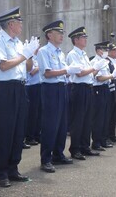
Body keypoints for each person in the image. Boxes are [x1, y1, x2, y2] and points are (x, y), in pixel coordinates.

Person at [0, 7, 39, 187]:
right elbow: (3, 65)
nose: (21, 25)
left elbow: (27, 68)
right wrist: (24, 55)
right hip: (4, 89)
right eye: (19, 22)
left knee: (18, 131)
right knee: (4, 132)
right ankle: (1, 172)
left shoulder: (18, 43)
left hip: (20, 87)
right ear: (11, 24)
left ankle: (13, 168)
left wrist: (29, 55)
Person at [37, 20, 80, 173]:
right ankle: (46, 159)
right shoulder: (44, 51)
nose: (62, 35)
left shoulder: (60, 53)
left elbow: (63, 72)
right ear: (49, 35)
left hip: (62, 88)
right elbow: (47, 73)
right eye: (58, 33)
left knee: (62, 123)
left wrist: (67, 71)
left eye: (62, 33)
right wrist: (66, 70)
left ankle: (58, 154)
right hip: (50, 89)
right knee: (50, 124)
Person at [66, 26, 107, 160]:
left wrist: (98, 67)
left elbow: (90, 73)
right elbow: (79, 73)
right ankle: (75, 149)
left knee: (87, 119)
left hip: (88, 87)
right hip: (78, 88)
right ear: (76, 40)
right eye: (83, 37)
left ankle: (85, 146)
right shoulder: (73, 54)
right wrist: (94, 68)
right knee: (78, 120)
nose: (85, 40)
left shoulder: (83, 54)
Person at [90, 41, 116, 151]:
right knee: (99, 118)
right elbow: (99, 78)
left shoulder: (104, 61)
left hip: (105, 88)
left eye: (106, 50)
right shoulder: (95, 61)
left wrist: (113, 76)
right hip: (98, 89)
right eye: (103, 50)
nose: (105, 52)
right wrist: (112, 76)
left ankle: (103, 140)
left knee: (105, 117)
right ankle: (96, 142)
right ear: (97, 50)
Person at [24, 45, 41, 146]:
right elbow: (32, 72)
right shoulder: (29, 58)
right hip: (31, 87)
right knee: (32, 113)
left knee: (39, 113)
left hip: (39, 85)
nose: (38, 48)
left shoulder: (38, 58)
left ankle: (36, 135)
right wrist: (40, 67)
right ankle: (29, 137)